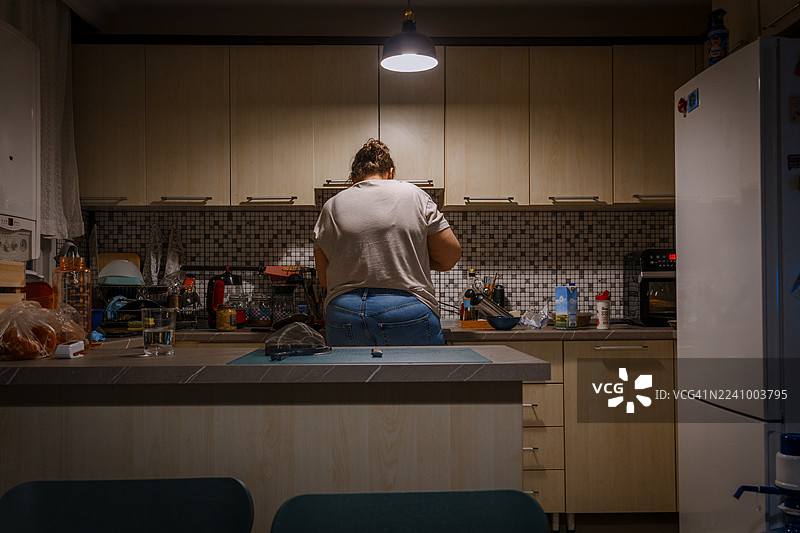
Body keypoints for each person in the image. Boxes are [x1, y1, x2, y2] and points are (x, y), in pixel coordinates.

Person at [313, 139, 461, 346]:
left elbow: (325, 279)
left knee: (351, 378)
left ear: (355, 178)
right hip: (406, 310)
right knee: (420, 378)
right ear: (390, 173)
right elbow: (450, 257)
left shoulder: (332, 206)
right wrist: (412, 258)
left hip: (344, 312)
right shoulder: (414, 194)